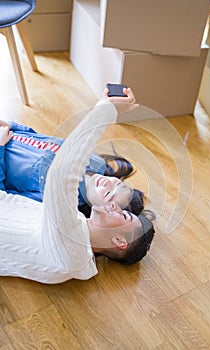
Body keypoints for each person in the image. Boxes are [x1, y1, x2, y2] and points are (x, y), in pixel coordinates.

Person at [0, 87, 155, 284]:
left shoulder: (72, 250)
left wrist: (108, 109)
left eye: (124, 215)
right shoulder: (74, 228)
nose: (115, 206)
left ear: (118, 241)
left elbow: (62, 173)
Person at [0, 119, 144, 216]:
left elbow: (4, 196)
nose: (108, 183)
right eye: (117, 183)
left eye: (108, 194)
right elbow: (42, 138)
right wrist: (12, 126)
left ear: (97, 210)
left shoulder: (56, 196)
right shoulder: (92, 161)